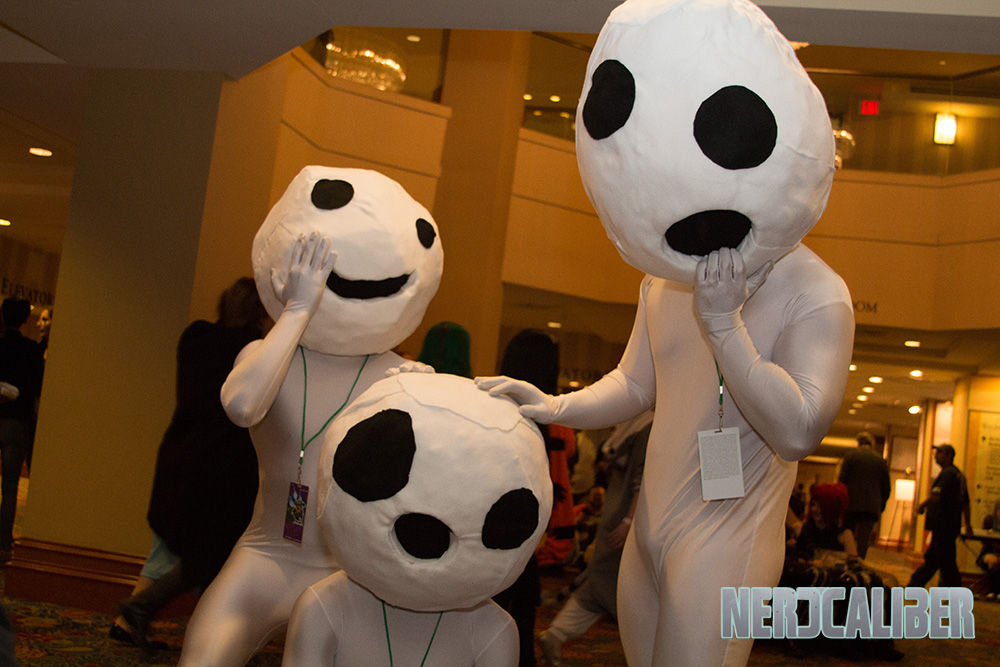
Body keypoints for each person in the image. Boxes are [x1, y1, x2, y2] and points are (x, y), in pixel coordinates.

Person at [113, 278, 270, 651]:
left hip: (178, 452)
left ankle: (130, 621)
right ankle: (153, 614)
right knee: (218, 553)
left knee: (170, 546)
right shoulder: (253, 351)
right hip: (222, 465)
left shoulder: (195, 338)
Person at [538, 413, 650, 667]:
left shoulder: (628, 429)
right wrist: (629, 521)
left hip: (615, 517)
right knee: (621, 590)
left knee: (600, 584)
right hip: (626, 521)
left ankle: (555, 635)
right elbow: (641, 481)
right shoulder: (647, 429)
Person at [492, 329, 575, 667]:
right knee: (523, 609)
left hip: (493, 516)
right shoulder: (554, 415)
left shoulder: (496, 406)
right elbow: (567, 458)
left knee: (493, 602)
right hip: (533, 520)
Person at [0, 297, 45, 564]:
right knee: (9, 487)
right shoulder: (30, 350)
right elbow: (37, 388)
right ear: (26, 319)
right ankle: (3, 544)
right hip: (16, 422)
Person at [908, 444, 975, 588]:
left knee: (946, 562)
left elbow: (936, 496)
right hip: (950, 525)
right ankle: (914, 585)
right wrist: (967, 524)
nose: (935, 456)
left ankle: (955, 592)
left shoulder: (948, 474)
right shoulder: (959, 475)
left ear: (949, 455)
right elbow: (966, 503)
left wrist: (921, 505)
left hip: (943, 524)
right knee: (934, 559)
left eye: (939, 453)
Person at [838, 431, 891, 558]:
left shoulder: (850, 456)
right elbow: (886, 486)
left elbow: (842, 481)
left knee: (848, 533)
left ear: (858, 443)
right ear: (871, 443)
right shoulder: (880, 460)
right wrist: (882, 504)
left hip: (851, 502)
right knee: (864, 538)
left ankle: (848, 557)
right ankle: (860, 560)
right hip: (871, 505)